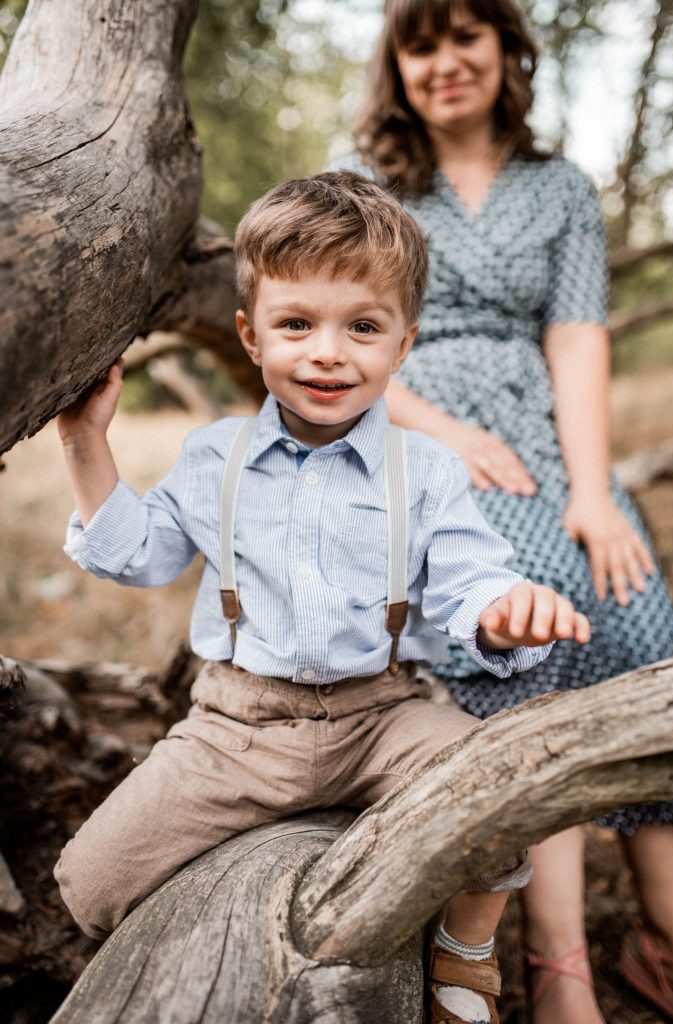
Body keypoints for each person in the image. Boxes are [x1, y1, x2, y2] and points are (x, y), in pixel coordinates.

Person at [54, 171, 592, 1024]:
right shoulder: (214, 456)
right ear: (251, 335)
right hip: (240, 728)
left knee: (498, 782)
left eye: (362, 327)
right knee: (90, 880)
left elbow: (468, 575)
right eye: (296, 324)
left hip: (381, 716)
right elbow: (139, 555)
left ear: (402, 345)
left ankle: (465, 947)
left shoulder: (427, 469)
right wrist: (87, 441)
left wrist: (502, 610)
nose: (328, 352)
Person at [327, 2, 673, 1022]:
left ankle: (662, 935)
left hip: (538, 429)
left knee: (641, 618)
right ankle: (555, 956)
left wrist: (590, 488)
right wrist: (438, 429)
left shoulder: (559, 187)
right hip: (416, 427)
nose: (443, 63)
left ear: (503, 48)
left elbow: (574, 341)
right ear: (396, 65)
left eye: (462, 37)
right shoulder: (371, 192)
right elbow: (341, 331)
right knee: (540, 618)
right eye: (419, 43)